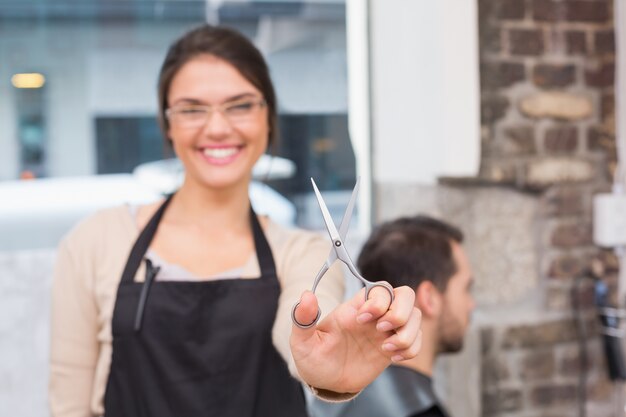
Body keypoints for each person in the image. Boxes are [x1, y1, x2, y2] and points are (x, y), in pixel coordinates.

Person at [49, 24, 421, 417]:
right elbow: (68, 406)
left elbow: (303, 328)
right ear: (168, 124)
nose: (218, 127)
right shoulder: (94, 242)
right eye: (192, 109)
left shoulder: (303, 253)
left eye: (240, 105)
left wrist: (327, 364)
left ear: (268, 118)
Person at [310, 215, 474, 417]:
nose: (471, 304)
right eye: (466, 289)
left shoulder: (328, 404)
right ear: (429, 298)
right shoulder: (420, 412)